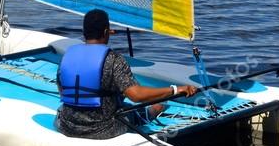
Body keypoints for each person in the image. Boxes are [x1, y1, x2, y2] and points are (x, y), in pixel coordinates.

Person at [56, 8, 197, 139]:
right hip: (102, 129)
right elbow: (136, 95)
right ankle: (152, 111)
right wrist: (175, 89)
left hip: (67, 125)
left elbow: (63, 92)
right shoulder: (113, 59)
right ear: (106, 32)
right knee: (150, 107)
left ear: (84, 32)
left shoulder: (67, 56)